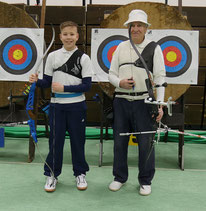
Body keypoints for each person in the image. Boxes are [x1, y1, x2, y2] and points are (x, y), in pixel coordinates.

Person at [29, 21, 93, 192]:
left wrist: (65, 88)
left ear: (77, 37)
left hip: (77, 106)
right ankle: (52, 175)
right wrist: (37, 81)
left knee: (78, 142)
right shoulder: (53, 56)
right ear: (60, 37)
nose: (68, 37)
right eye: (65, 34)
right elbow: (47, 82)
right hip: (57, 106)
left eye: (72, 34)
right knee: (55, 143)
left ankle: (80, 173)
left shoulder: (84, 58)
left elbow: (87, 86)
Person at [108, 9, 166, 196]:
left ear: (146, 28)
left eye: (139, 25)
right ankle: (119, 177)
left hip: (144, 102)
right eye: (132, 25)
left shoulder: (154, 48)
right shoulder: (121, 47)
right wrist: (120, 83)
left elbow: (160, 78)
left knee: (146, 142)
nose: (135, 28)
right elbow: (111, 74)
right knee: (119, 142)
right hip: (122, 101)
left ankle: (145, 180)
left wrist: (160, 105)